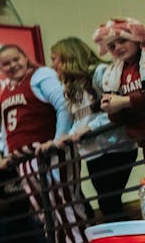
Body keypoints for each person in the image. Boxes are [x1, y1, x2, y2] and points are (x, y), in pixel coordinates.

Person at [0, 44, 87, 243]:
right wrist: (8, 155)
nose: (12, 65)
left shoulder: (40, 76)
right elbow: (6, 127)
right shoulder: (5, 90)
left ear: (25, 57)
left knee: (65, 204)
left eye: (15, 59)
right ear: (0, 68)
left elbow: (63, 105)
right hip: (24, 159)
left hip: (48, 152)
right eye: (6, 64)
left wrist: (59, 139)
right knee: (45, 213)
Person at [49, 37, 136, 219]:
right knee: (106, 202)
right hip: (93, 151)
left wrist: (90, 128)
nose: (52, 64)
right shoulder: (73, 88)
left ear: (69, 56)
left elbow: (115, 108)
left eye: (55, 58)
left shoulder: (100, 73)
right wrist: (69, 135)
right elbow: (80, 120)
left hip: (114, 147)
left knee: (109, 202)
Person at [95, 18, 145, 215]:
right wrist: (113, 108)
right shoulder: (114, 74)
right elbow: (118, 118)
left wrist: (126, 101)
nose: (118, 47)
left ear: (136, 38)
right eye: (112, 45)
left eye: (122, 41)